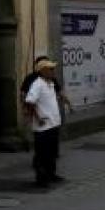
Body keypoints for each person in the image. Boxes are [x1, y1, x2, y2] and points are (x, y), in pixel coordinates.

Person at [25, 59, 64, 187]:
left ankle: (51, 174)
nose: (53, 71)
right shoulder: (37, 84)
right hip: (42, 127)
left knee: (52, 152)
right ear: (42, 71)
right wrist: (38, 118)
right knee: (42, 153)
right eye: (50, 69)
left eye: (53, 69)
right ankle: (41, 178)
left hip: (53, 124)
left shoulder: (51, 83)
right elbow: (30, 102)